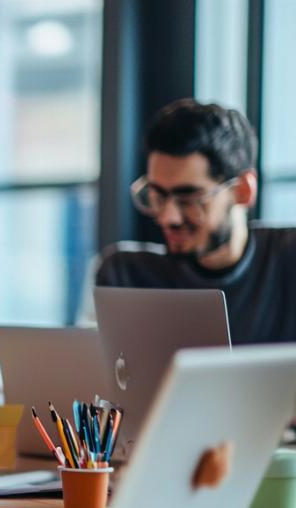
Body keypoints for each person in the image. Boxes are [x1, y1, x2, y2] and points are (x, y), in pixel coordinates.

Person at [92, 99, 296, 344]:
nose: (168, 217)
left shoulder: (288, 260)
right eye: (158, 195)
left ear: (243, 190)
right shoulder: (126, 276)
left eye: (189, 198)